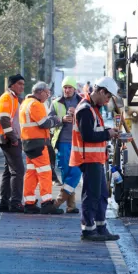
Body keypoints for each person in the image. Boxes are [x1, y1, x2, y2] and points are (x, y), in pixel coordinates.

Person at [70, 76, 121, 241]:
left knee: (101, 195)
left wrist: (108, 131)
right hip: (89, 159)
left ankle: (100, 227)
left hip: (96, 158)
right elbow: (88, 135)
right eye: (107, 96)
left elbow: (94, 130)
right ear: (100, 91)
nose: (107, 101)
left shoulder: (93, 108)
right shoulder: (85, 109)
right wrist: (108, 134)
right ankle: (88, 229)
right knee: (92, 195)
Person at [19, 81, 63, 214]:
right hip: (37, 144)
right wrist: (56, 120)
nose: (48, 95)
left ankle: (29, 203)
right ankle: (46, 203)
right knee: (45, 173)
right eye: (47, 92)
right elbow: (44, 123)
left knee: (31, 173)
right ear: (40, 92)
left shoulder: (26, 103)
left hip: (28, 143)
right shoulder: (35, 104)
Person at [48, 76, 82, 213]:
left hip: (78, 142)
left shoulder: (82, 102)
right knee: (66, 172)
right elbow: (49, 119)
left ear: (74, 89)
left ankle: (58, 201)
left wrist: (77, 114)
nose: (67, 90)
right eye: (65, 87)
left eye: (69, 87)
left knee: (76, 172)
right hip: (62, 142)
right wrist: (61, 119)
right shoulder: (56, 103)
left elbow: (90, 119)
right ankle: (71, 206)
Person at [0, 74, 26, 213]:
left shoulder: (13, 98)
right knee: (18, 170)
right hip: (7, 138)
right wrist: (13, 138)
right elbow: (4, 119)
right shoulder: (7, 97)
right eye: (19, 84)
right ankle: (16, 203)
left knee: (9, 171)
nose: (22, 87)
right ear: (12, 85)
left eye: (23, 84)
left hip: (6, 137)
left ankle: (4, 203)